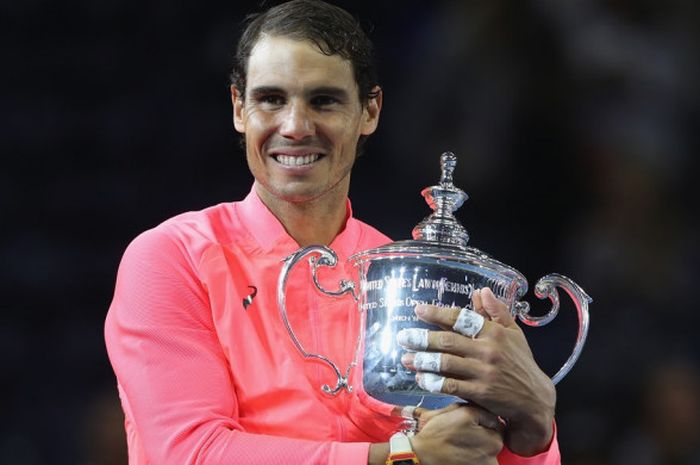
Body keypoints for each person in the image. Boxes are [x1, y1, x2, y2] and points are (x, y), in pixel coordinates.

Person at [104, 1, 560, 464]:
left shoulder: (407, 278)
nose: (297, 126)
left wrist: (535, 430)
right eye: (271, 99)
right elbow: (190, 453)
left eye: (324, 100)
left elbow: (463, 451)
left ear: (370, 111)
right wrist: (398, 456)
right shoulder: (171, 258)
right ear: (239, 109)